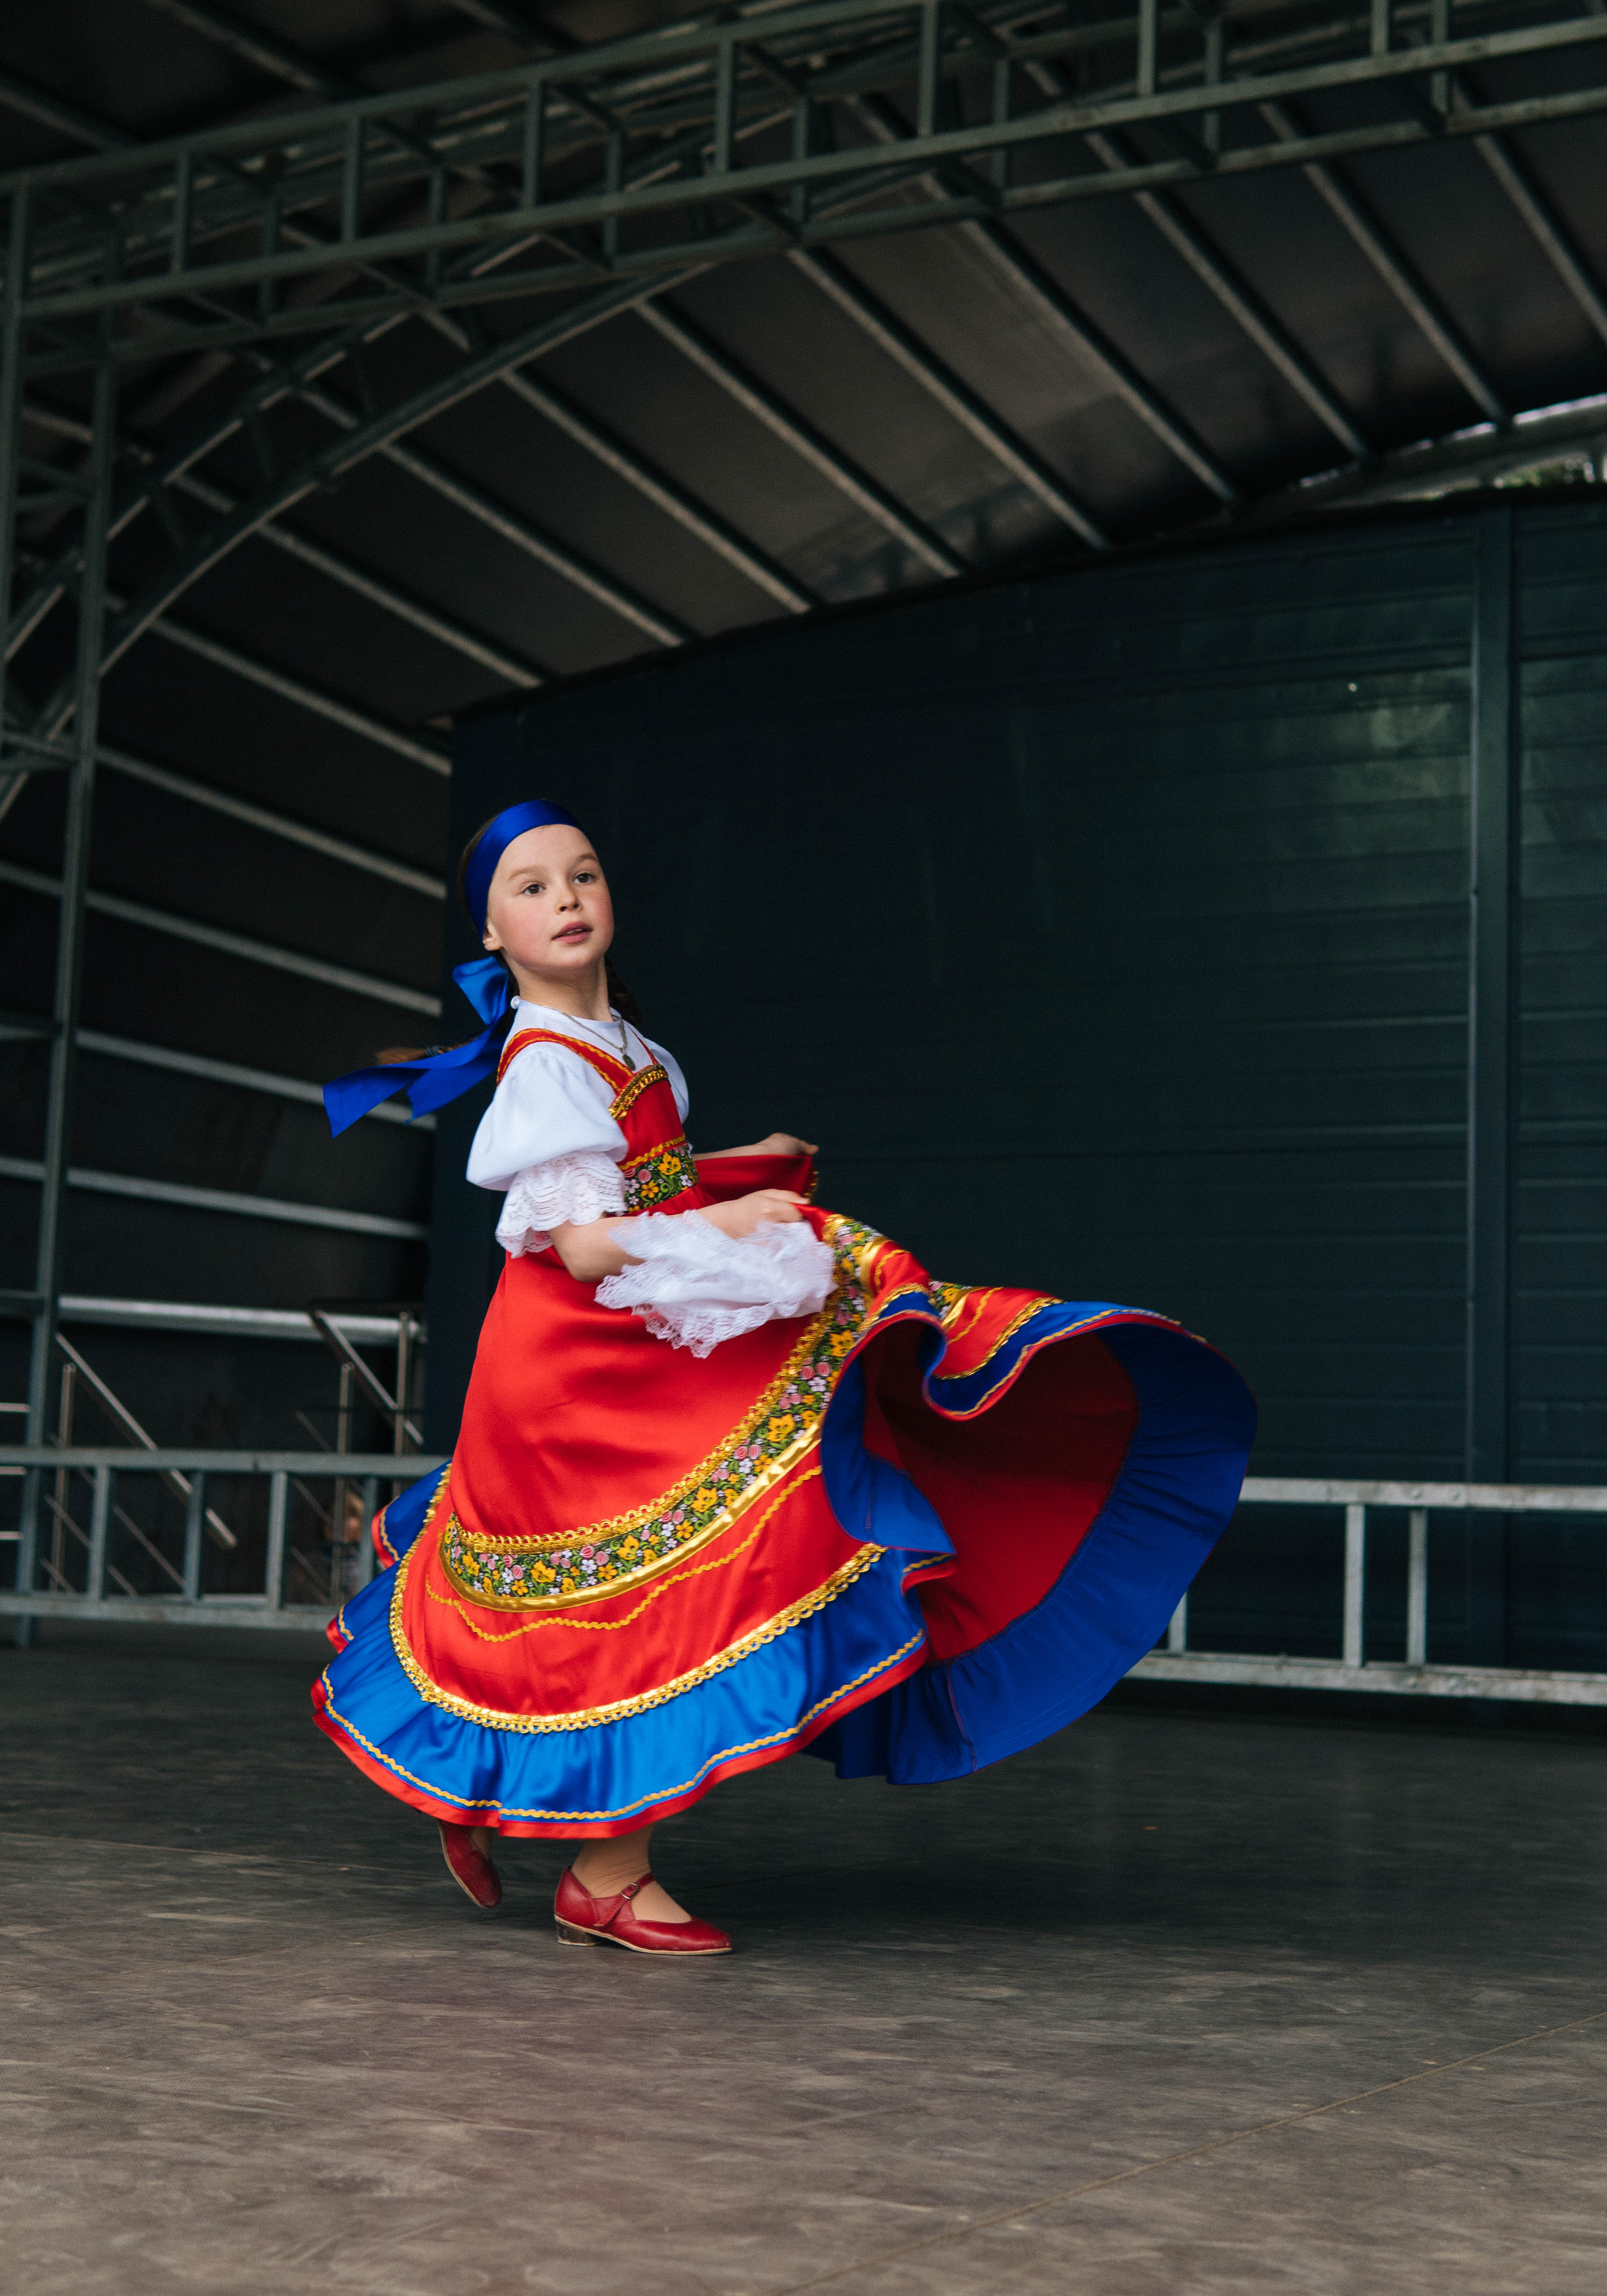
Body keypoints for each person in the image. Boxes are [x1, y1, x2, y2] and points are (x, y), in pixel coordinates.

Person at [314, 799, 1255, 1956]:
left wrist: (730, 1176)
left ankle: (503, 1804)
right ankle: (597, 1872)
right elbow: (586, 1245)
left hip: (621, 1340)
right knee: (669, 1582)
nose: (565, 899)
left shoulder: (624, 1045)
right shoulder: (543, 1067)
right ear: (490, 936)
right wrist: (739, 1218)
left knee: (716, 1544)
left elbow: (640, 1188)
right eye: (531, 886)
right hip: (576, 1364)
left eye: (582, 874)